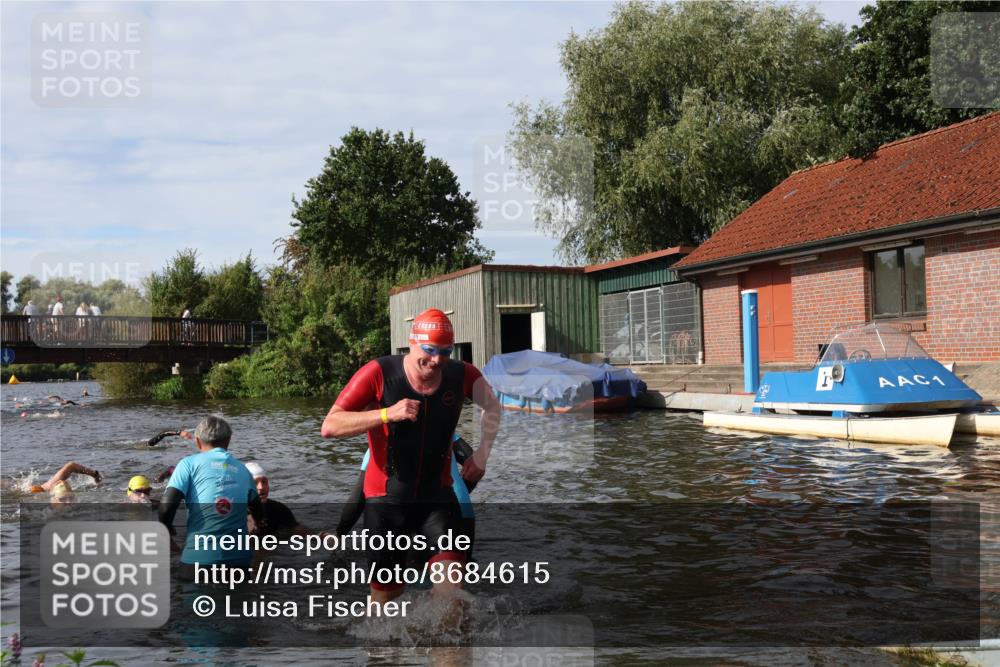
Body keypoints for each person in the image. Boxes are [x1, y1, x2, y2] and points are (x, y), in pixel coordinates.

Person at [321, 308, 501, 608]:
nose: (436, 360)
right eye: (430, 350)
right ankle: (388, 656)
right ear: (411, 342)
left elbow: (493, 408)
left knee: (451, 599)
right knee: (385, 607)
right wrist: (385, 414)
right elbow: (330, 426)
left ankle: (449, 652)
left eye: (446, 351)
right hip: (386, 505)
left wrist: (482, 454)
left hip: (438, 501)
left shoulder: (462, 374)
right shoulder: (379, 373)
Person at [158, 416, 264, 570]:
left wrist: (167, 530)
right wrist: (259, 525)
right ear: (228, 441)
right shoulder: (244, 470)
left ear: (198, 441)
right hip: (239, 564)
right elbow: (257, 510)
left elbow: (166, 506)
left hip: (198, 562)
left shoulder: (188, 464)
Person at [244, 462, 330, 539]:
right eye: (255, 483)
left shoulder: (277, 509)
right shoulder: (236, 512)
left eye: (264, 482)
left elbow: (298, 530)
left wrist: (322, 537)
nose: (261, 487)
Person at [28, 461, 102, 503]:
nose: (68, 502)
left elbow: (71, 466)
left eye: (71, 498)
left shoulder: (52, 485)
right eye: (63, 499)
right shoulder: (40, 493)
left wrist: (95, 475)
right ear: (54, 500)